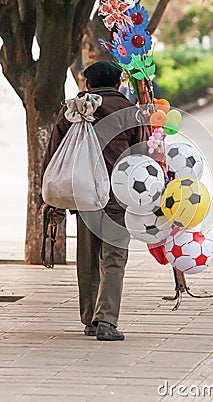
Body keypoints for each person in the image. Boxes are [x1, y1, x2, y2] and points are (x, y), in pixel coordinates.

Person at [41, 61, 149, 341]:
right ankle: (106, 322)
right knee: (113, 260)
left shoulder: (73, 111)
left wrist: (50, 197)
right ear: (118, 83)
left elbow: (54, 155)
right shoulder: (129, 112)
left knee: (87, 260)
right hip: (119, 199)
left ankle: (89, 320)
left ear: (87, 84)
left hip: (85, 198)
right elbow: (143, 155)